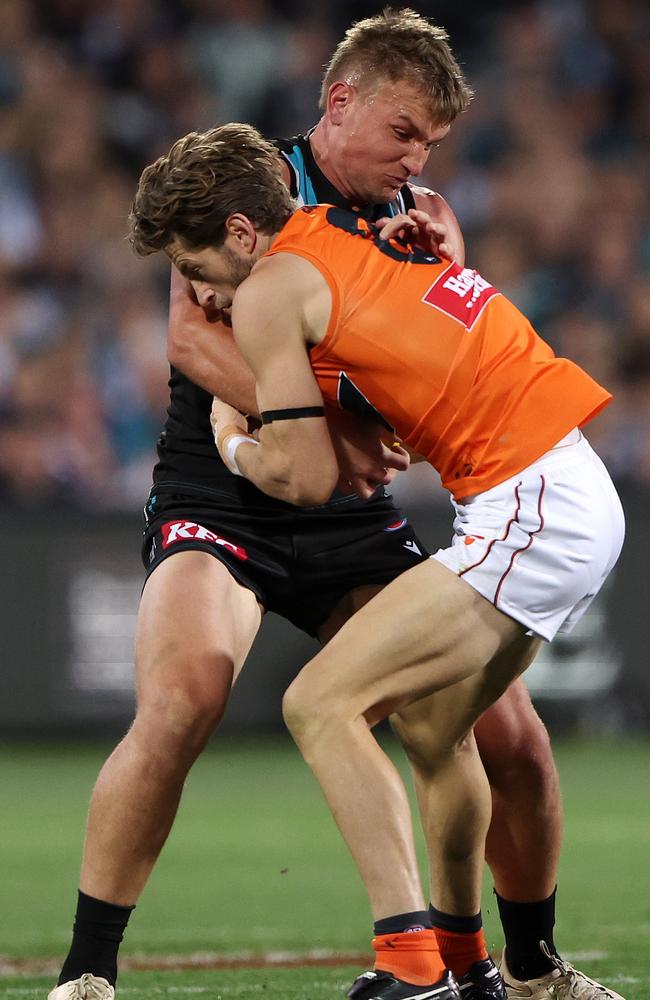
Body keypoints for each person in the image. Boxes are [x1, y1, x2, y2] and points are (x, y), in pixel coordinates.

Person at [50, 11, 621, 1000]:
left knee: (500, 733)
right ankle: (87, 972)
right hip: (225, 490)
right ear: (340, 102)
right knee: (185, 694)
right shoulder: (250, 190)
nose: (415, 159)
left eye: (431, 146)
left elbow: (442, 335)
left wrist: (444, 253)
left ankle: (517, 966)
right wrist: (319, 425)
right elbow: (190, 343)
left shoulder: (415, 208)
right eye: (403, 133)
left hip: (346, 505)